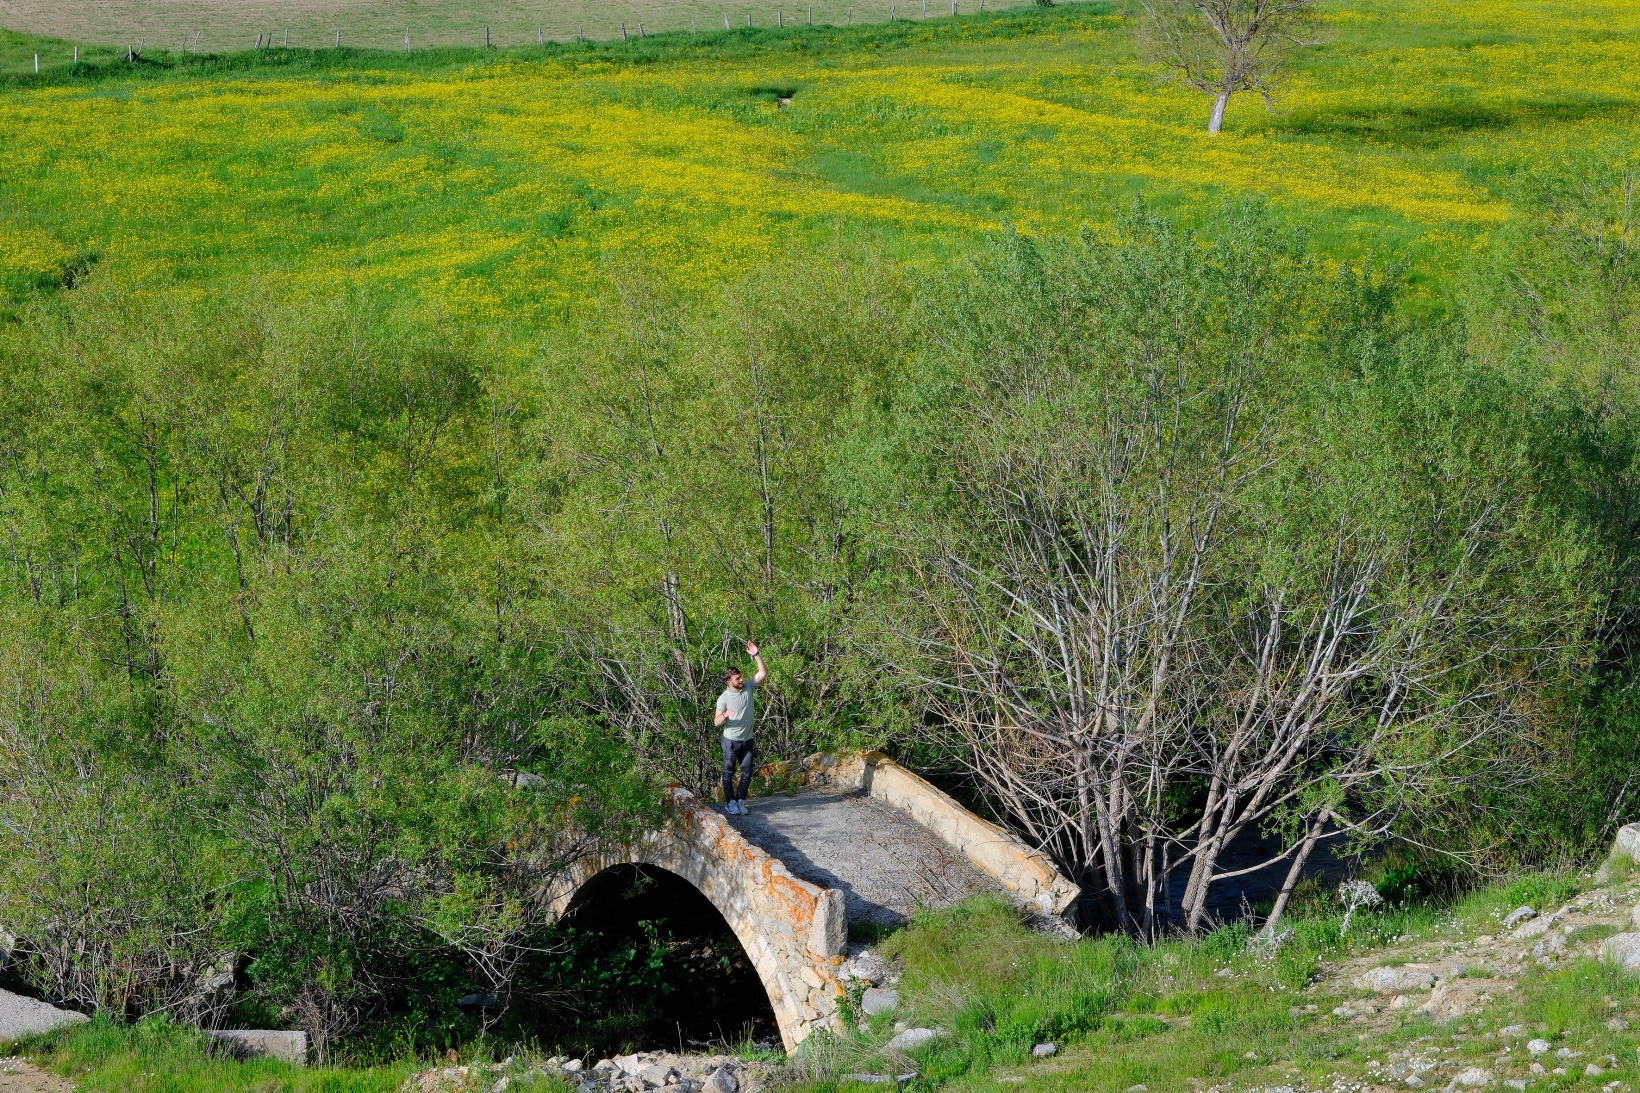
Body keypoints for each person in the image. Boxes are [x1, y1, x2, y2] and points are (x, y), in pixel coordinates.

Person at [715, 641, 766, 816]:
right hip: (730, 741)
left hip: (747, 740)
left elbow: (762, 673)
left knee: (747, 772)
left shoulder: (748, 688)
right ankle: (730, 803)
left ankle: (740, 801)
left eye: (741, 676)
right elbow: (716, 722)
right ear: (729, 681)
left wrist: (756, 655)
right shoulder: (723, 698)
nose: (741, 679)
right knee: (728, 772)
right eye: (737, 678)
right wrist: (725, 715)